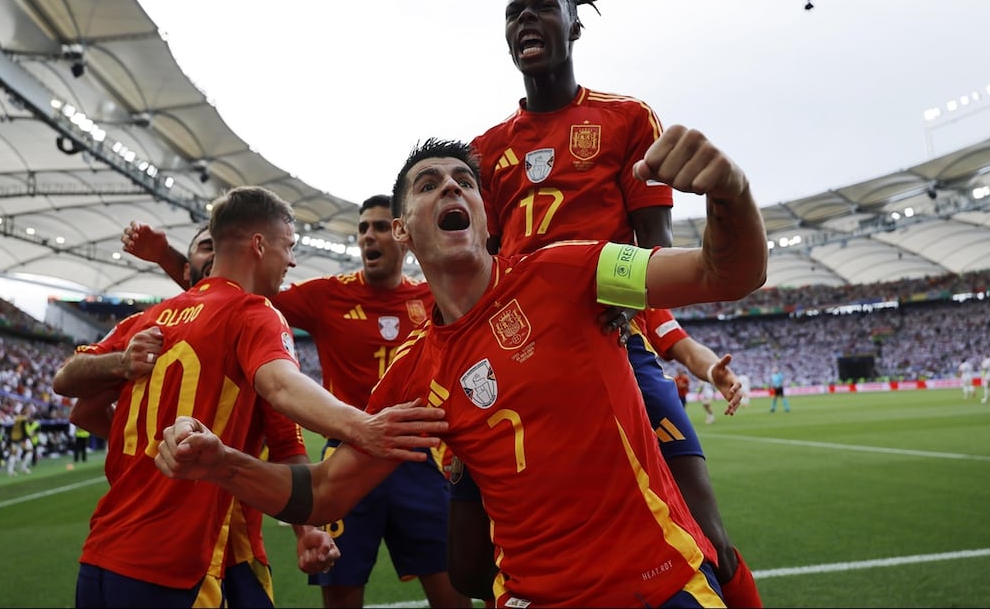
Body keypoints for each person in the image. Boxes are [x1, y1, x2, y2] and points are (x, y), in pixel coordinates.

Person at [155, 131, 768, 608]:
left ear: (483, 211)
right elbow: (325, 493)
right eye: (428, 184)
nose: (450, 189)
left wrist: (729, 190)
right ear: (402, 229)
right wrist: (222, 464)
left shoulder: (574, 270)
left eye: (463, 182)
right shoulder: (412, 374)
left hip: (658, 588)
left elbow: (726, 273)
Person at [465, 0, 760, 606]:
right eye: (513, 12)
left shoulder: (628, 118)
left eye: (541, 6)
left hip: (613, 339)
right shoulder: (484, 150)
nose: (525, 20)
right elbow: (482, 265)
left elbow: (657, 249)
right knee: (490, 556)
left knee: (708, 531)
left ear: (574, 26)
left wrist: (636, 316)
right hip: (518, 355)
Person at [52, 185, 447, 608]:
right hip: (182, 558)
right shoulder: (253, 312)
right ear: (259, 245)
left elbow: (78, 399)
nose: (292, 259)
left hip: (104, 551)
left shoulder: (150, 319)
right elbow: (279, 386)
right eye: (288, 246)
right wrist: (362, 426)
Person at [63, 224, 341, 608]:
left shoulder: (239, 325)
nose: (215, 256)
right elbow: (79, 402)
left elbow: (285, 442)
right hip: (171, 548)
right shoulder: (150, 325)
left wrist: (305, 530)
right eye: (205, 247)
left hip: (232, 545)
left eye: (219, 246)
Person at [5, 406, 33, 476]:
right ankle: (23, 466)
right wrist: (28, 436)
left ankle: (10, 471)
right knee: (30, 450)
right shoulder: (23, 419)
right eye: (27, 410)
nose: (28, 412)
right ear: (23, 411)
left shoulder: (16, 418)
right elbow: (23, 430)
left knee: (13, 454)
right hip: (21, 439)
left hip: (14, 439)